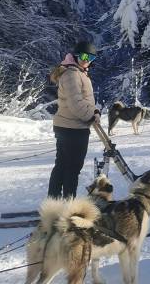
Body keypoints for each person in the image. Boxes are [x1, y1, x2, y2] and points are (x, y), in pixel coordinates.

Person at [47, 41, 100, 199]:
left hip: (68, 127)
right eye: (84, 56)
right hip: (73, 129)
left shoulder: (77, 72)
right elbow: (76, 104)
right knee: (72, 169)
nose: (87, 60)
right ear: (76, 55)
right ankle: (68, 204)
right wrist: (91, 115)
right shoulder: (72, 74)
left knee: (62, 166)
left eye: (91, 57)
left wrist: (93, 110)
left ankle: (54, 202)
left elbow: (82, 101)